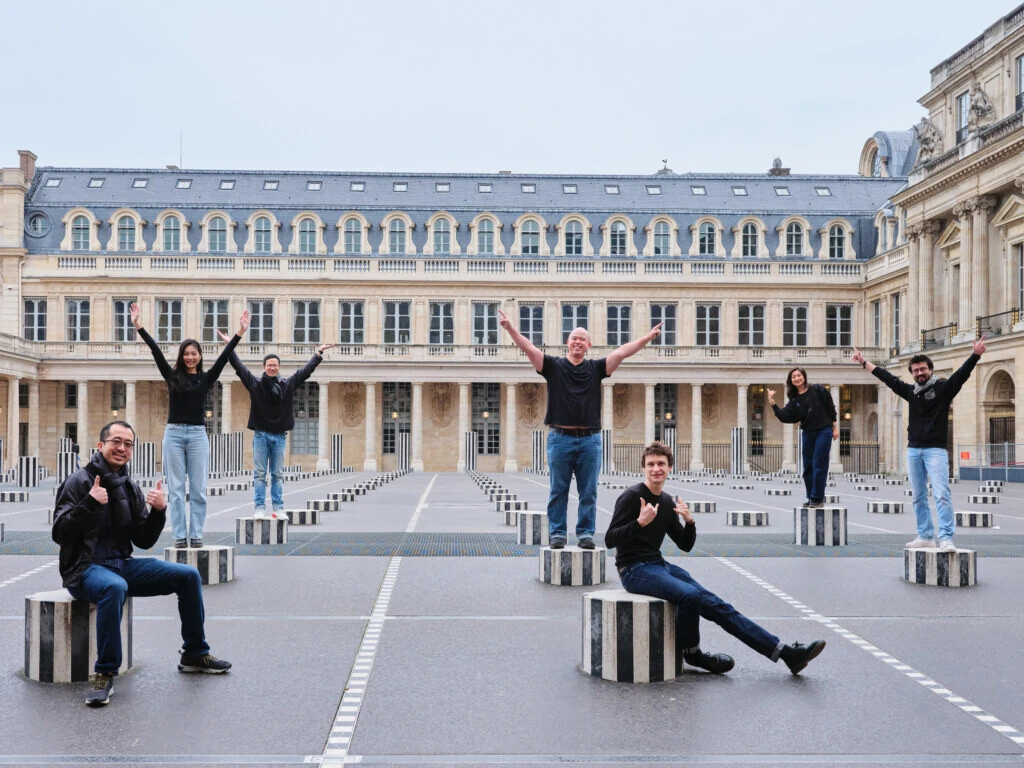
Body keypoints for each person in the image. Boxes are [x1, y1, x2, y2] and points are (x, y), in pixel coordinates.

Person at [606, 441, 826, 675]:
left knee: (718, 606)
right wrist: (639, 523)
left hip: (658, 565)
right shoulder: (631, 497)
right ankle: (693, 654)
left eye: (661, 464)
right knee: (689, 595)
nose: (656, 469)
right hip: (633, 570)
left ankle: (785, 653)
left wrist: (690, 522)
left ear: (670, 467)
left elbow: (685, 545)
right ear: (643, 468)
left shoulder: (667, 501)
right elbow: (610, 539)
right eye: (651, 464)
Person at [52, 421, 231, 707]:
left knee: (188, 575)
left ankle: (195, 653)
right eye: (116, 442)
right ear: (101, 445)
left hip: (121, 564)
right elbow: (60, 534)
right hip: (84, 569)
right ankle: (104, 674)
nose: (122, 448)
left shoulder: (129, 487)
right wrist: (89, 504)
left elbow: (143, 540)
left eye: (128, 444)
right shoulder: (78, 482)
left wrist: (158, 511)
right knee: (114, 587)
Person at [498, 310, 661, 549]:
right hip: (560, 437)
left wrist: (647, 338)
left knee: (589, 491)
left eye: (582, 339)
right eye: (574, 338)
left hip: (590, 439)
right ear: (567, 342)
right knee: (558, 490)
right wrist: (510, 328)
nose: (578, 341)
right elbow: (529, 348)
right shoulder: (553, 366)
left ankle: (585, 533)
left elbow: (622, 352)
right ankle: (557, 534)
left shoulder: (596, 368)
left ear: (588, 345)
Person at [852, 336, 986, 551]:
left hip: (935, 450)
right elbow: (888, 378)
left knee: (942, 494)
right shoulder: (911, 392)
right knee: (918, 496)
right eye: (915, 371)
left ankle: (946, 538)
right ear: (912, 373)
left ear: (931, 370)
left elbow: (961, 375)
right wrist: (864, 363)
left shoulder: (943, 389)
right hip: (914, 449)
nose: (919, 373)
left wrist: (975, 355)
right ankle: (925, 535)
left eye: (923, 369)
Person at [132, 303, 245, 548]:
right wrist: (138, 326)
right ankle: (180, 536)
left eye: (194, 353)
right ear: (181, 356)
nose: (190, 357)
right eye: (186, 353)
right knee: (175, 489)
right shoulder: (172, 376)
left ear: (200, 356)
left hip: (197, 435)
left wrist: (239, 333)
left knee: (198, 490)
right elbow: (155, 350)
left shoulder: (206, 378)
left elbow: (224, 358)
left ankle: (196, 535)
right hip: (173, 434)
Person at [218, 330, 334, 518]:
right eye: (269, 365)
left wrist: (318, 353)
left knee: (278, 475)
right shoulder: (255, 384)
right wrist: (229, 345)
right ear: (264, 367)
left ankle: (278, 508)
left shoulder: (287, 385)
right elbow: (239, 367)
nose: (272, 368)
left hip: (279, 436)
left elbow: (305, 372)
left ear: (279, 367)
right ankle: (259, 508)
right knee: (259, 474)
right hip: (261, 435)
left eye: (275, 365)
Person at [767, 369, 838, 508]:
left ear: (804, 377)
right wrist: (772, 403)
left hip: (823, 430)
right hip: (807, 432)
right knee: (807, 467)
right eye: (793, 377)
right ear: (791, 381)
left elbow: (830, 407)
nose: (796, 378)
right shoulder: (794, 399)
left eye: (799, 375)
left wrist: (834, 427)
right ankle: (811, 497)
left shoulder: (818, 390)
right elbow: (785, 416)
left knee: (819, 464)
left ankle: (817, 498)